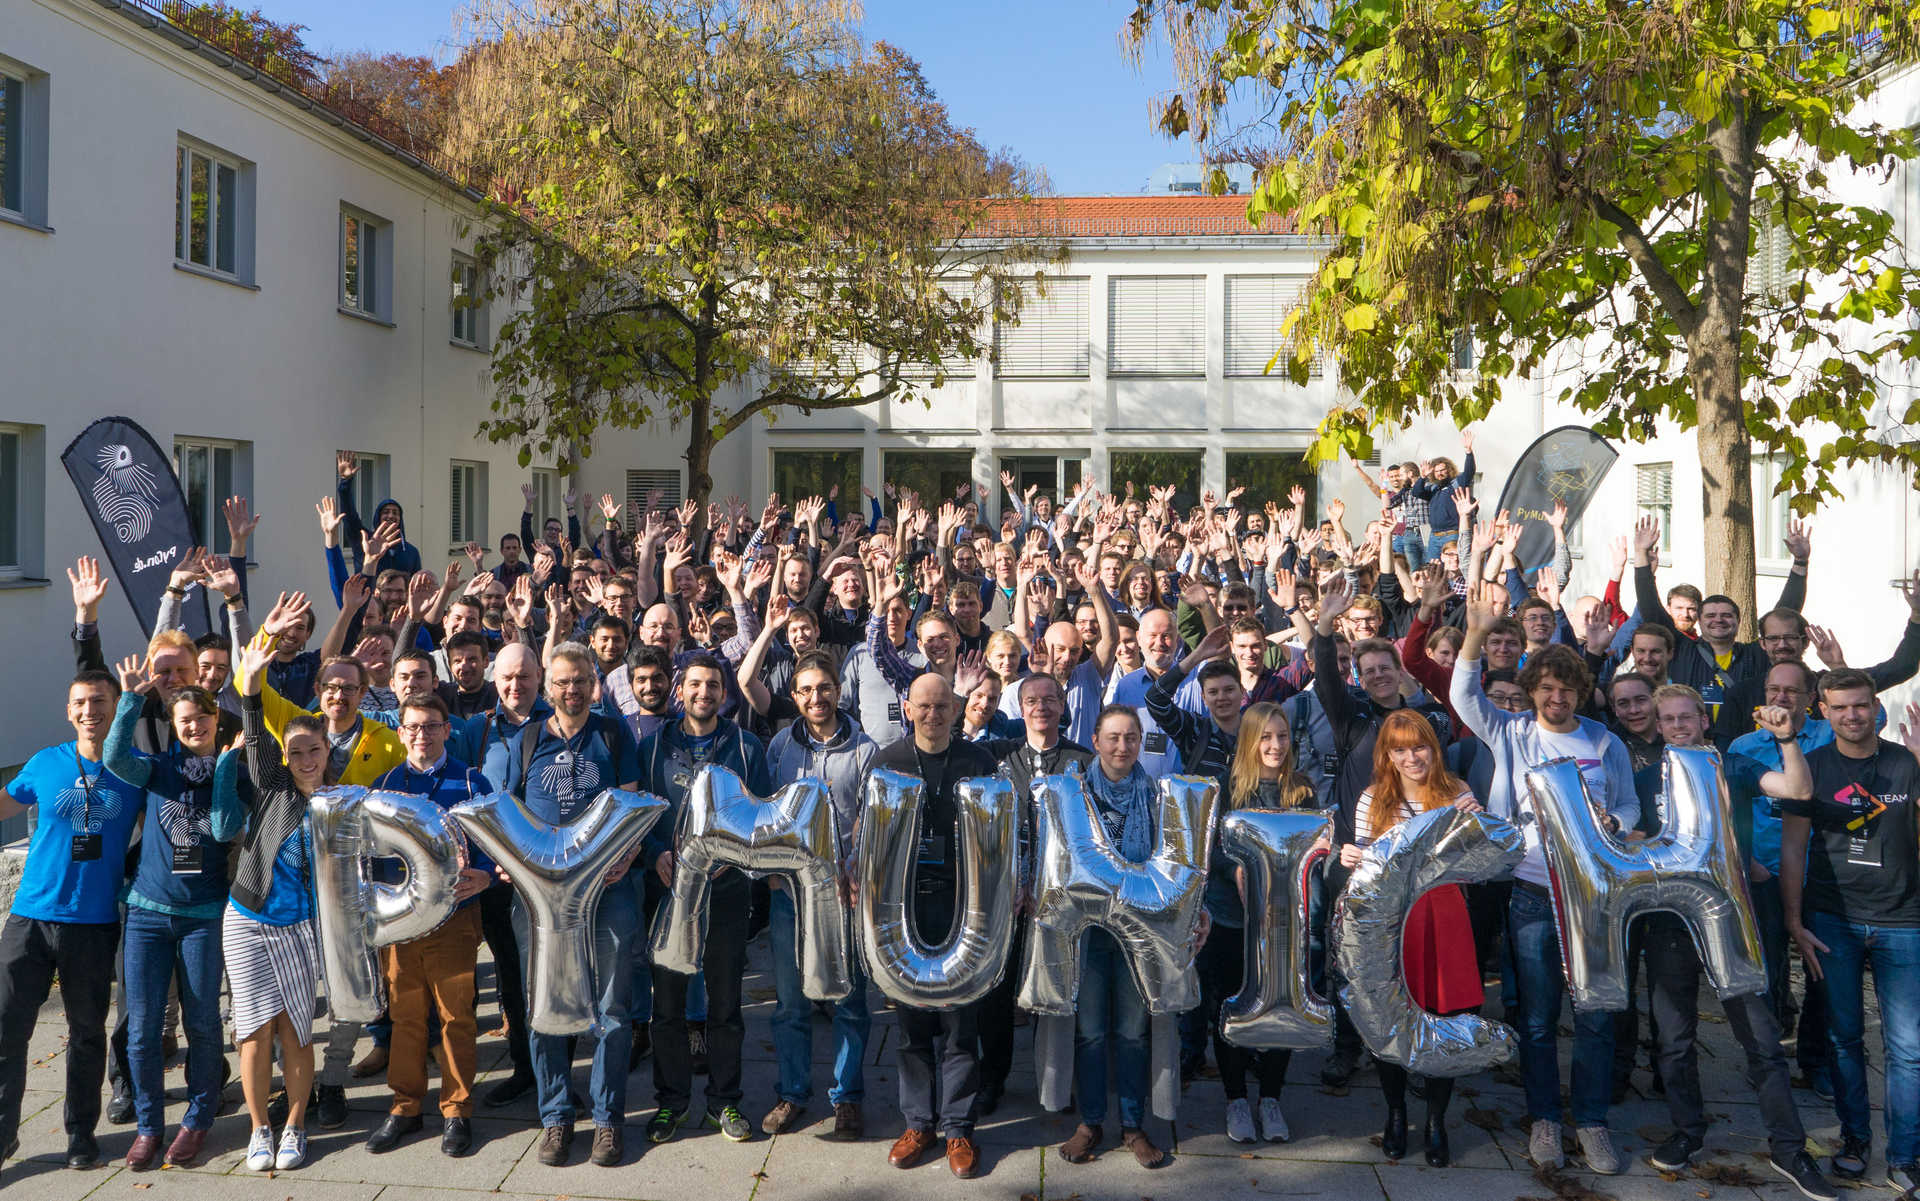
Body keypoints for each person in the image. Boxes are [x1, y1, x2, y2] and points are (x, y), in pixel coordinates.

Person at [1452, 581, 1638, 1174]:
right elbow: (1463, 695)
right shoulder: (1512, 734)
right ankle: (1545, 1120)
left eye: (1567, 689)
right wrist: (1476, 634)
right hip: (1533, 893)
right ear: (1532, 690)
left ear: (1581, 692)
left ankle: (1592, 1122)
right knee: (1536, 1018)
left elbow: (1630, 806)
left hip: (1594, 896)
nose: (1557, 698)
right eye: (1547, 688)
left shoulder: (1603, 741)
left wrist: (1615, 822)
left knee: (1596, 1016)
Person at [1638, 686, 1835, 1200]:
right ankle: (1687, 1131)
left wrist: (1787, 739)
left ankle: (1789, 1149)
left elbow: (1796, 790)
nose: (1678, 726)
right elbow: (1632, 840)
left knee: (1763, 1041)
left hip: (1732, 922)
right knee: (1674, 1041)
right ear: (1659, 726)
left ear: (1704, 720)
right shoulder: (1647, 777)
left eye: (1686, 717)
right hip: (1671, 925)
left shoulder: (1736, 765)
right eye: (1668, 719)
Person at [484, 643, 646, 1168]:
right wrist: (508, 861)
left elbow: (632, 806)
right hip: (541, 901)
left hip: (608, 893)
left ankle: (608, 1119)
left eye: (580, 680)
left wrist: (628, 854)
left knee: (612, 1010)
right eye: (561, 682)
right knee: (544, 1008)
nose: (571, 690)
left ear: (594, 684)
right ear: (548, 687)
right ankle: (555, 1117)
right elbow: (505, 809)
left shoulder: (614, 734)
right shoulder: (526, 739)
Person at [0, 668, 145, 1178]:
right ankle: (3, 1134)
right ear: (68, 711)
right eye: (81, 702)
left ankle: (81, 1134)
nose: (90, 711)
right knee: (6, 1030)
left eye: (100, 701)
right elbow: (4, 803)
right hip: (30, 920)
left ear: (116, 707)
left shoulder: (133, 770)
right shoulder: (45, 762)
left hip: (94, 923)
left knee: (86, 1032)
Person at [102, 658, 244, 1170]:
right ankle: (148, 1126)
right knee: (142, 1029)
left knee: (202, 1024)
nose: (194, 725)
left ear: (215, 719)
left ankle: (199, 1118)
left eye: (202, 717)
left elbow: (225, 828)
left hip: (203, 916)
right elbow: (115, 757)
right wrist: (129, 700)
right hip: (146, 915)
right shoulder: (157, 768)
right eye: (185, 720)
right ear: (173, 723)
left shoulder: (233, 769)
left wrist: (224, 767)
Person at [1782, 674, 1920, 1189]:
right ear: (1824, 710)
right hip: (1832, 920)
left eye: (1860, 705)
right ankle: (1855, 1139)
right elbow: (1793, 847)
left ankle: (1905, 1156)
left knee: (1909, 1048)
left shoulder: (1906, 762)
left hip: (1904, 920)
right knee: (1843, 1038)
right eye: (1840, 708)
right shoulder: (1811, 767)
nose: (1852, 716)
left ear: (1875, 706)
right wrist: (1794, 921)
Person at [640, 655, 772, 1148]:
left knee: (725, 1005)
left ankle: (725, 1099)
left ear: (724, 692)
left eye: (712, 685)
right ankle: (672, 1101)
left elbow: (761, 816)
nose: (703, 692)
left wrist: (734, 856)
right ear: (680, 690)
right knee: (667, 1008)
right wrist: (655, 853)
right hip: (669, 894)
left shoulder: (746, 746)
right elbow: (640, 813)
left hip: (726, 893)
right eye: (694, 684)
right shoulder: (653, 747)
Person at [870, 674, 999, 1179]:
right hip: (904, 906)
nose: (933, 714)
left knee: (962, 1024)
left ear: (955, 708)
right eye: (923, 706)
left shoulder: (979, 762)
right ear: (908, 708)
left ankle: (958, 1127)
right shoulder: (888, 762)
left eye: (942, 705)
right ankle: (918, 1124)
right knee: (912, 1024)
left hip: (963, 904)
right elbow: (869, 833)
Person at [1341, 709, 1483, 1167]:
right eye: (1399, 749)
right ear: (1386, 754)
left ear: (1433, 748)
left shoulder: (1457, 792)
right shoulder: (1372, 799)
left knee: (1444, 1019)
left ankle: (1437, 1121)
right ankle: (1396, 1114)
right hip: (1391, 924)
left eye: (1419, 746)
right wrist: (1351, 858)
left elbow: (1475, 868)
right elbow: (1367, 871)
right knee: (1389, 1018)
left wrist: (1479, 829)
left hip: (1445, 917)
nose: (1411, 757)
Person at [364, 694, 494, 1158]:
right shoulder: (384, 787)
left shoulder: (471, 781)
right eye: (414, 727)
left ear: (447, 730)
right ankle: (406, 1106)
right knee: (405, 1016)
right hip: (401, 924)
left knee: (456, 1016)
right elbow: (369, 855)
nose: (423, 735)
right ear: (401, 733)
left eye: (432, 726)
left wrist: (485, 874)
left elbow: (494, 843)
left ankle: (457, 1109)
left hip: (454, 919)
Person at [1055, 706, 1179, 1170]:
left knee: (1132, 1033)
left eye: (1130, 738)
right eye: (1113, 737)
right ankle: (1090, 1122)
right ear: (1095, 740)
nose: (1122, 747)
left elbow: (1172, 861)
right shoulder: (1075, 793)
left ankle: (1132, 1125)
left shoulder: (1156, 795)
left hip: (1137, 933)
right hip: (1087, 932)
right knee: (1089, 1032)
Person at [760, 652, 876, 1140]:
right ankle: (792, 1092)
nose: (816, 698)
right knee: (791, 1003)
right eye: (806, 690)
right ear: (794, 696)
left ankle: (847, 1097)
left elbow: (870, 817)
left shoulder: (865, 749)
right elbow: (766, 812)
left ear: (838, 691)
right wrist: (769, 869)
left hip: (843, 895)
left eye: (824, 688)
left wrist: (857, 864)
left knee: (849, 1001)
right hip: (790, 893)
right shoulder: (780, 746)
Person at [224, 630, 327, 1172]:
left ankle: (295, 1125)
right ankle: (259, 1129)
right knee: (254, 1029)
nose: (305, 759)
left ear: (328, 751)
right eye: (297, 751)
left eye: (314, 749)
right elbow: (256, 739)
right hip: (248, 919)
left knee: (296, 1029)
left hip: (301, 929)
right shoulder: (273, 785)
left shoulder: (338, 803)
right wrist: (251, 683)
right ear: (285, 756)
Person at [1205, 701, 1316, 1145]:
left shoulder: (1301, 790)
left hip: (1284, 921)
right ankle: (1235, 1098)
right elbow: (1206, 849)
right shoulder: (1226, 788)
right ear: (1250, 740)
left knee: (1282, 1006)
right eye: (1266, 737)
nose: (1275, 745)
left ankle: (1271, 1097)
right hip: (1232, 919)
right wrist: (1233, 867)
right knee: (1231, 1004)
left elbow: (1314, 850)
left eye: (1282, 736)